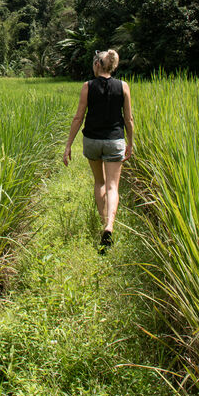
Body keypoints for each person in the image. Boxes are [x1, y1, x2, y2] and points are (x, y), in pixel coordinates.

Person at [63, 48, 134, 252]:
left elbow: (78, 117)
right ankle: (109, 226)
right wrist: (130, 142)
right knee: (113, 186)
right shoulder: (123, 86)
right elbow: (128, 119)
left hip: (92, 141)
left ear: (97, 65)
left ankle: (104, 222)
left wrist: (68, 144)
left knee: (100, 182)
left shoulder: (87, 86)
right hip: (114, 140)